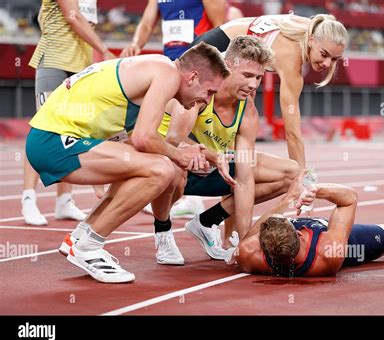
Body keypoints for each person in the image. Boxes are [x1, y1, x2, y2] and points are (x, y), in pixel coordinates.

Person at [27, 43, 230, 283]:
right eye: (208, 91)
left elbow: (137, 139)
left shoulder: (154, 69)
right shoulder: (167, 74)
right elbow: (145, 138)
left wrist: (186, 151)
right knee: (161, 169)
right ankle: (89, 247)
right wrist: (177, 155)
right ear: (193, 77)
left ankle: (81, 237)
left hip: (53, 137)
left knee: (145, 164)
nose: (206, 100)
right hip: (53, 140)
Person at [153, 35, 300, 264]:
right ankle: (162, 231)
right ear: (228, 65)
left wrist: (245, 242)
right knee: (176, 165)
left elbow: (244, 175)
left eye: (259, 78)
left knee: (291, 173)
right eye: (247, 76)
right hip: (173, 165)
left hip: (213, 169)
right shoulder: (201, 90)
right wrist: (207, 154)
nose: (253, 85)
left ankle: (207, 221)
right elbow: (173, 141)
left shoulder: (247, 110)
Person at [229, 172, 384, 277]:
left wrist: (286, 201)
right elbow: (349, 199)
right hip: (344, 244)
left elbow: (249, 238)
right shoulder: (328, 254)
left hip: (294, 242)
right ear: (299, 231)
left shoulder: (249, 255)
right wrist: (317, 190)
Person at [191, 13, 348, 168]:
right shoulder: (291, 58)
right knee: (186, 107)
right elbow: (292, 133)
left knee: (243, 108)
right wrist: (303, 177)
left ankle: (233, 171)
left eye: (334, 59)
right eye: (324, 54)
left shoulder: (314, 28)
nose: (327, 64)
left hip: (217, 41)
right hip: (214, 48)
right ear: (312, 40)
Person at [120, 0, 228, 218]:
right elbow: (146, 23)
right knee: (164, 131)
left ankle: (188, 198)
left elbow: (221, 31)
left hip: (198, 73)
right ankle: (175, 195)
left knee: (180, 134)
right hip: (170, 67)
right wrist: (135, 44)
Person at [23, 0, 116, 226]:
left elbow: (85, 23)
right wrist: (104, 50)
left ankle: (64, 200)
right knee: (43, 128)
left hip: (80, 64)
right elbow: (73, 16)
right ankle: (28, 198)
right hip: (55, 59)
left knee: (69, 131)